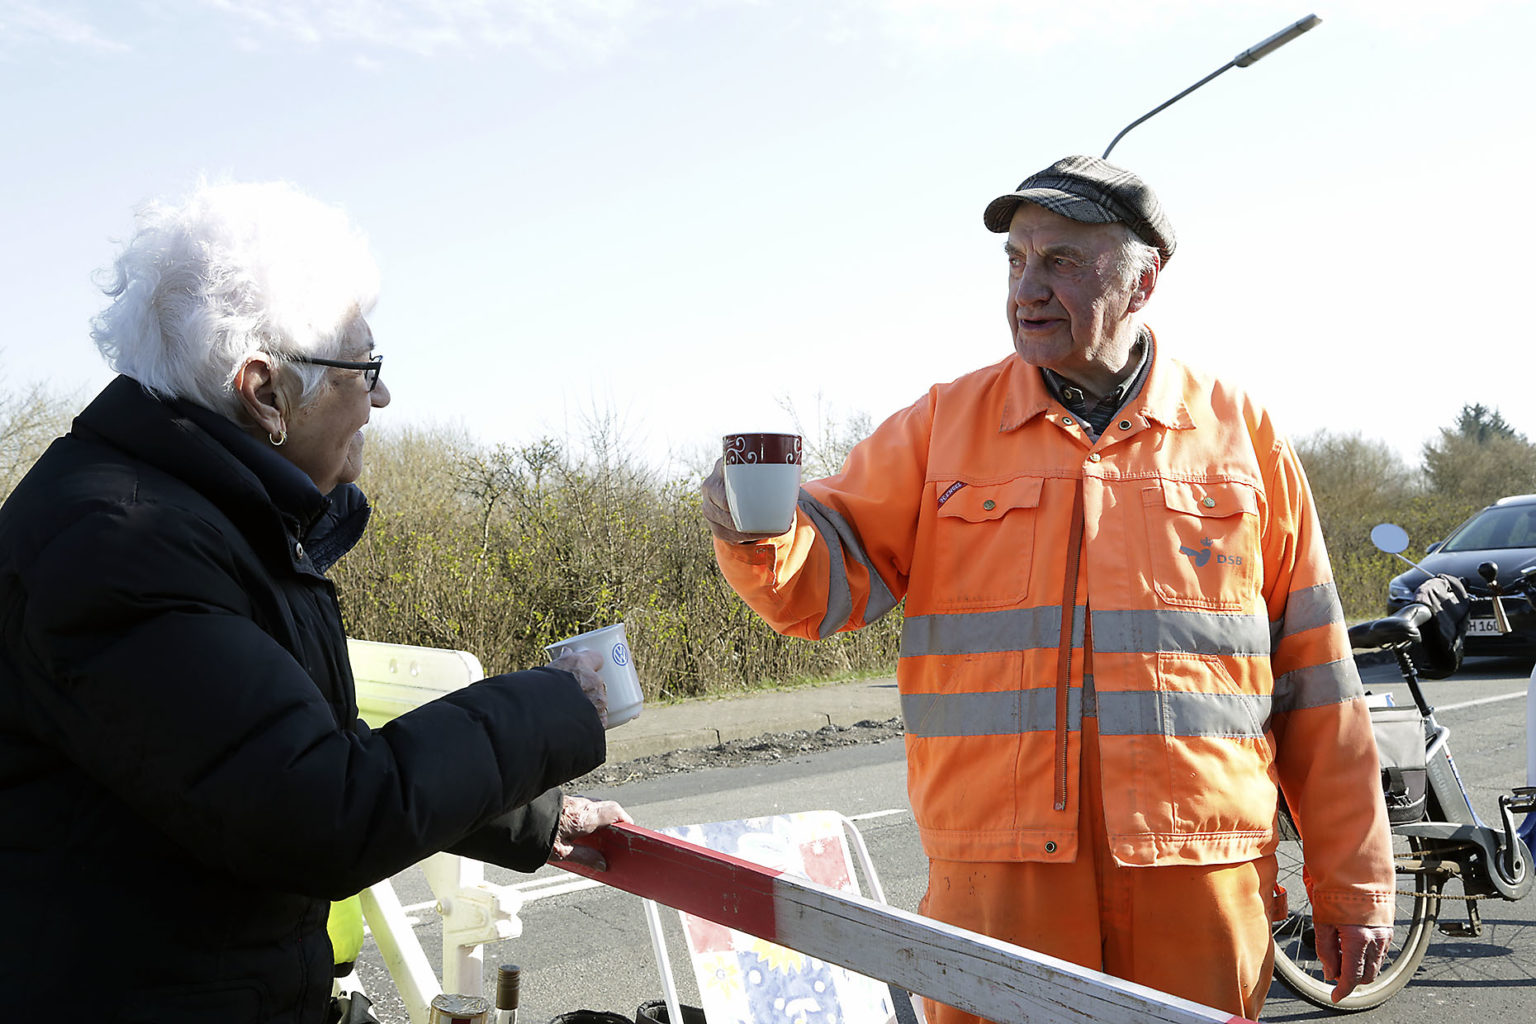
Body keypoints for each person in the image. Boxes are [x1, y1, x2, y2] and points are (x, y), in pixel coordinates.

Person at [701, 155, 1395, 1020]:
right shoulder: (941, 428)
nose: (1026, 287)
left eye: (1061, 260)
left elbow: (1318, 685)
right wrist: (759, 531)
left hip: (1200, 879)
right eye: (1015, 260)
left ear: (1143, 281)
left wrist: (1354, 885)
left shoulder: (1240, 437)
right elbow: (818, 589)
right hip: (1000, 884)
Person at [0, 180, 629, 1021]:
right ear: (265, 392)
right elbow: (317, 811)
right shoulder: (121, 542)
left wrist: (533, 820)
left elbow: (269, 753)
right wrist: (550, 706)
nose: (382, 397)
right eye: (364, 368)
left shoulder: (189, 518)